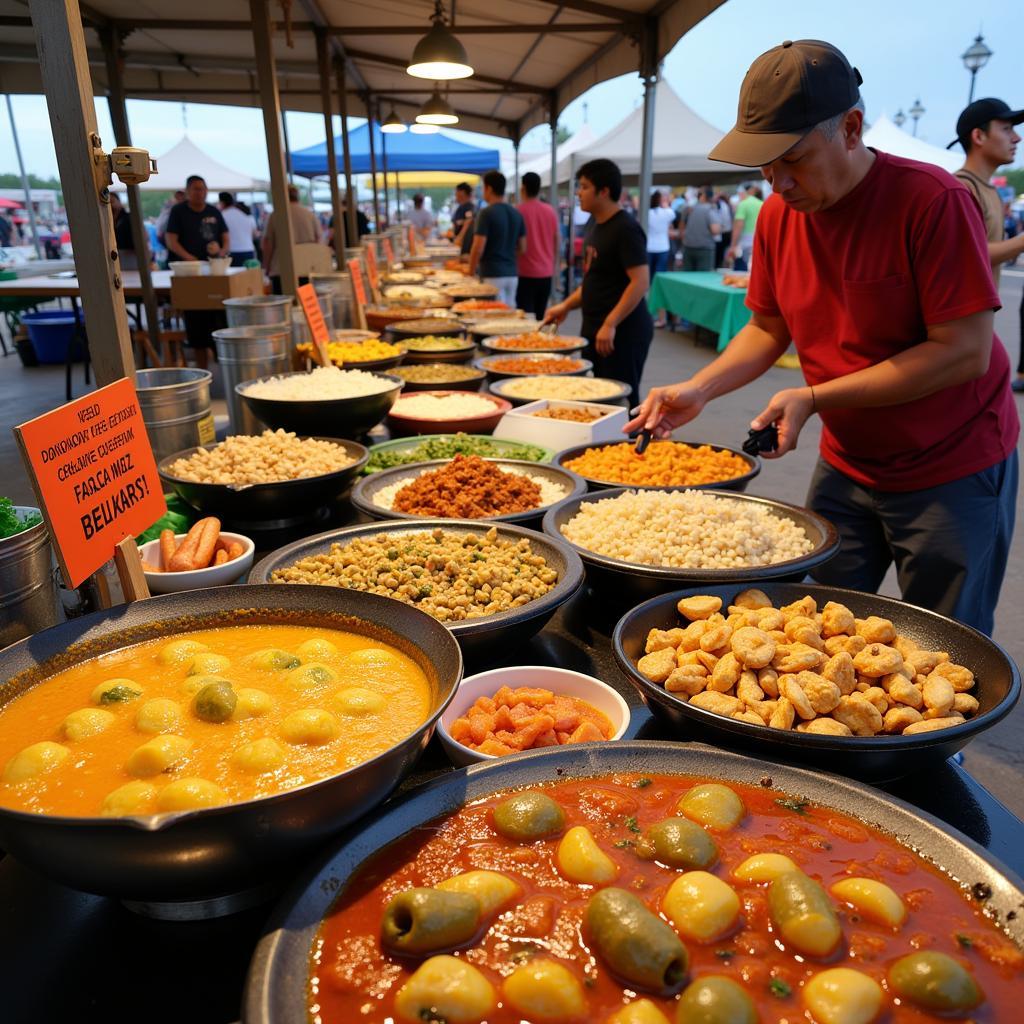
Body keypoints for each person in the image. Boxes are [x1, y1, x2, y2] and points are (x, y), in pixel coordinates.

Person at [628, 39, 1019, 635]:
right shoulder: (781, 215)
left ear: (852, 128)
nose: (777, 182)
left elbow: (961, 351)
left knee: (947, 647)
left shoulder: (931, 200)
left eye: (794, 158)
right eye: (763, 164)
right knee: (813, 628)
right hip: (848, 462)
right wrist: (701, 387)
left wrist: (814, 397)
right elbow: (765, 327)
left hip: (951, 464)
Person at [543, 158, 653, 409]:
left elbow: (640, 281)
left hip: (622, 332)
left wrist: (610, 323)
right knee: (596, 396)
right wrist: (565, 306)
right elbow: (594, 281)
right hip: (596, 328)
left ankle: (630, 445)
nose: (579, 193)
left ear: (604, 191)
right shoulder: (596, 225)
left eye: (584, 187)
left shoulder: (626, 228)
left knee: (621, 400)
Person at [951, 98, 1024, 392]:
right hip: (961, 330)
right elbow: (970, 253)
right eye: (1006, 129)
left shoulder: (987, 189)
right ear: (978, 136)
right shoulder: (961, 188)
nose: (1016, 137)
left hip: (978, 326)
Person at [164, 175, 229, 369]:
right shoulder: (178, 212)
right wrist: (189, 258)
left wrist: (220, 251)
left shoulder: (213, 211)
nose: (200, 193)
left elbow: (225, 238)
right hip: (187, 275)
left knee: (219, 317)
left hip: (212, 273)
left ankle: (221, 361)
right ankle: (202, 368)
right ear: (187, 192)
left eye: (203, 189)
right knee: (196, 322)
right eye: (195, 189)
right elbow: (171, 240)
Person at [467, 170, 526, 308]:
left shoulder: (486, 213)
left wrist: (470, 272)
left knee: (492, 318)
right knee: (509, 316)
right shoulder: (516, 213)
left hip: (491, 274)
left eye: (483, 187)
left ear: (489, 188)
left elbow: (478, 247)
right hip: (512, 274)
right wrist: (506, 254)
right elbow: (523, 248)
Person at [515, 171, 560, 320]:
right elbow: (556, 240)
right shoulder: (550, 211)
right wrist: (555, 265)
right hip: (546, 271)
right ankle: (540, 342)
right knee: (541, 316)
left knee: (525, 316)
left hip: (524, 272)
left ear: (523, 188)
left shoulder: (518, 211)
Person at [262, 184, 322, 294]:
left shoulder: (275, 215)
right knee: (305, 302)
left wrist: (266, 267)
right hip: (306, 267)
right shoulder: (309, 214)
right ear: (297, 196)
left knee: (284, 306)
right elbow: (318, 240)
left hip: (281, 269)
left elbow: (268, 244)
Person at [647, 190, 677, 328]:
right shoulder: (667, 213)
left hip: (649, 247)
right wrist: (666, 205)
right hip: (662, 248)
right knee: (658, 283)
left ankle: (650, 312)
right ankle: (661, 316)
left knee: (648, 283)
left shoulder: (647, 213)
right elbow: (672, 214)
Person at [677, 186, 722, 271]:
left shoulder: (689, 209)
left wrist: (684, 239)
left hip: (688, 247)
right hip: (705, 248)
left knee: (687, 277)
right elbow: (715, 230)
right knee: (703, 277)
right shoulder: (710, 209)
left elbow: (681, 228)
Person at [108, 192, 148, 271]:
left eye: (112, 202)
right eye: (108, 203)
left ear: (119, 202)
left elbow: (143, 236)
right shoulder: (107, 221)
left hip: (131, 255)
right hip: (115, 256)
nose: (110, 205)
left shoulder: (129, 217)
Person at [728, 183, 764, 271]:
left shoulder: (743, 204)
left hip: (745, 244)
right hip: (759, 242)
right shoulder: (762, 203)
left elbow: (738, 225)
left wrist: (733, 245)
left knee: (741, 271)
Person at [218, 192, 258, 266]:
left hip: (231, 253)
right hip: (249, 251)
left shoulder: (222, 216)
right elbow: (255, 234)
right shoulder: (246, 214)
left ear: (222, 203)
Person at [450, 182, 476, 256]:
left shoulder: (469, 207)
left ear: (463, 193)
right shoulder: (460, 207)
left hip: (465, 245)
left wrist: (459, 238)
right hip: (458, 244)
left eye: (457, 192)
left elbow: (468, 221)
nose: (456, 195)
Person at [713, 191, 733, 268]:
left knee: (718, 254)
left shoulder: (721, 205)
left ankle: (717, 267)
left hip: (722, 233)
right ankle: (720, 266)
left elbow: (722, 220)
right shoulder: (727, 205)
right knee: (721, 254)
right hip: (727, 232)